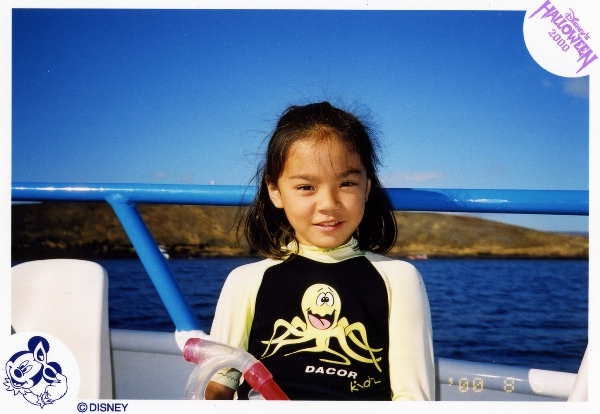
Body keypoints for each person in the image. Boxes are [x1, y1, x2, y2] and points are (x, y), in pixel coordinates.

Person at [206, 102, 434, 400]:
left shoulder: (399, 279)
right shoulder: (245, 281)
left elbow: (413, 398)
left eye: (347, 183)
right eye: (306, 187)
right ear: (275, 191)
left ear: (367, 188)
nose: (328, 204)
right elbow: (217, 384)